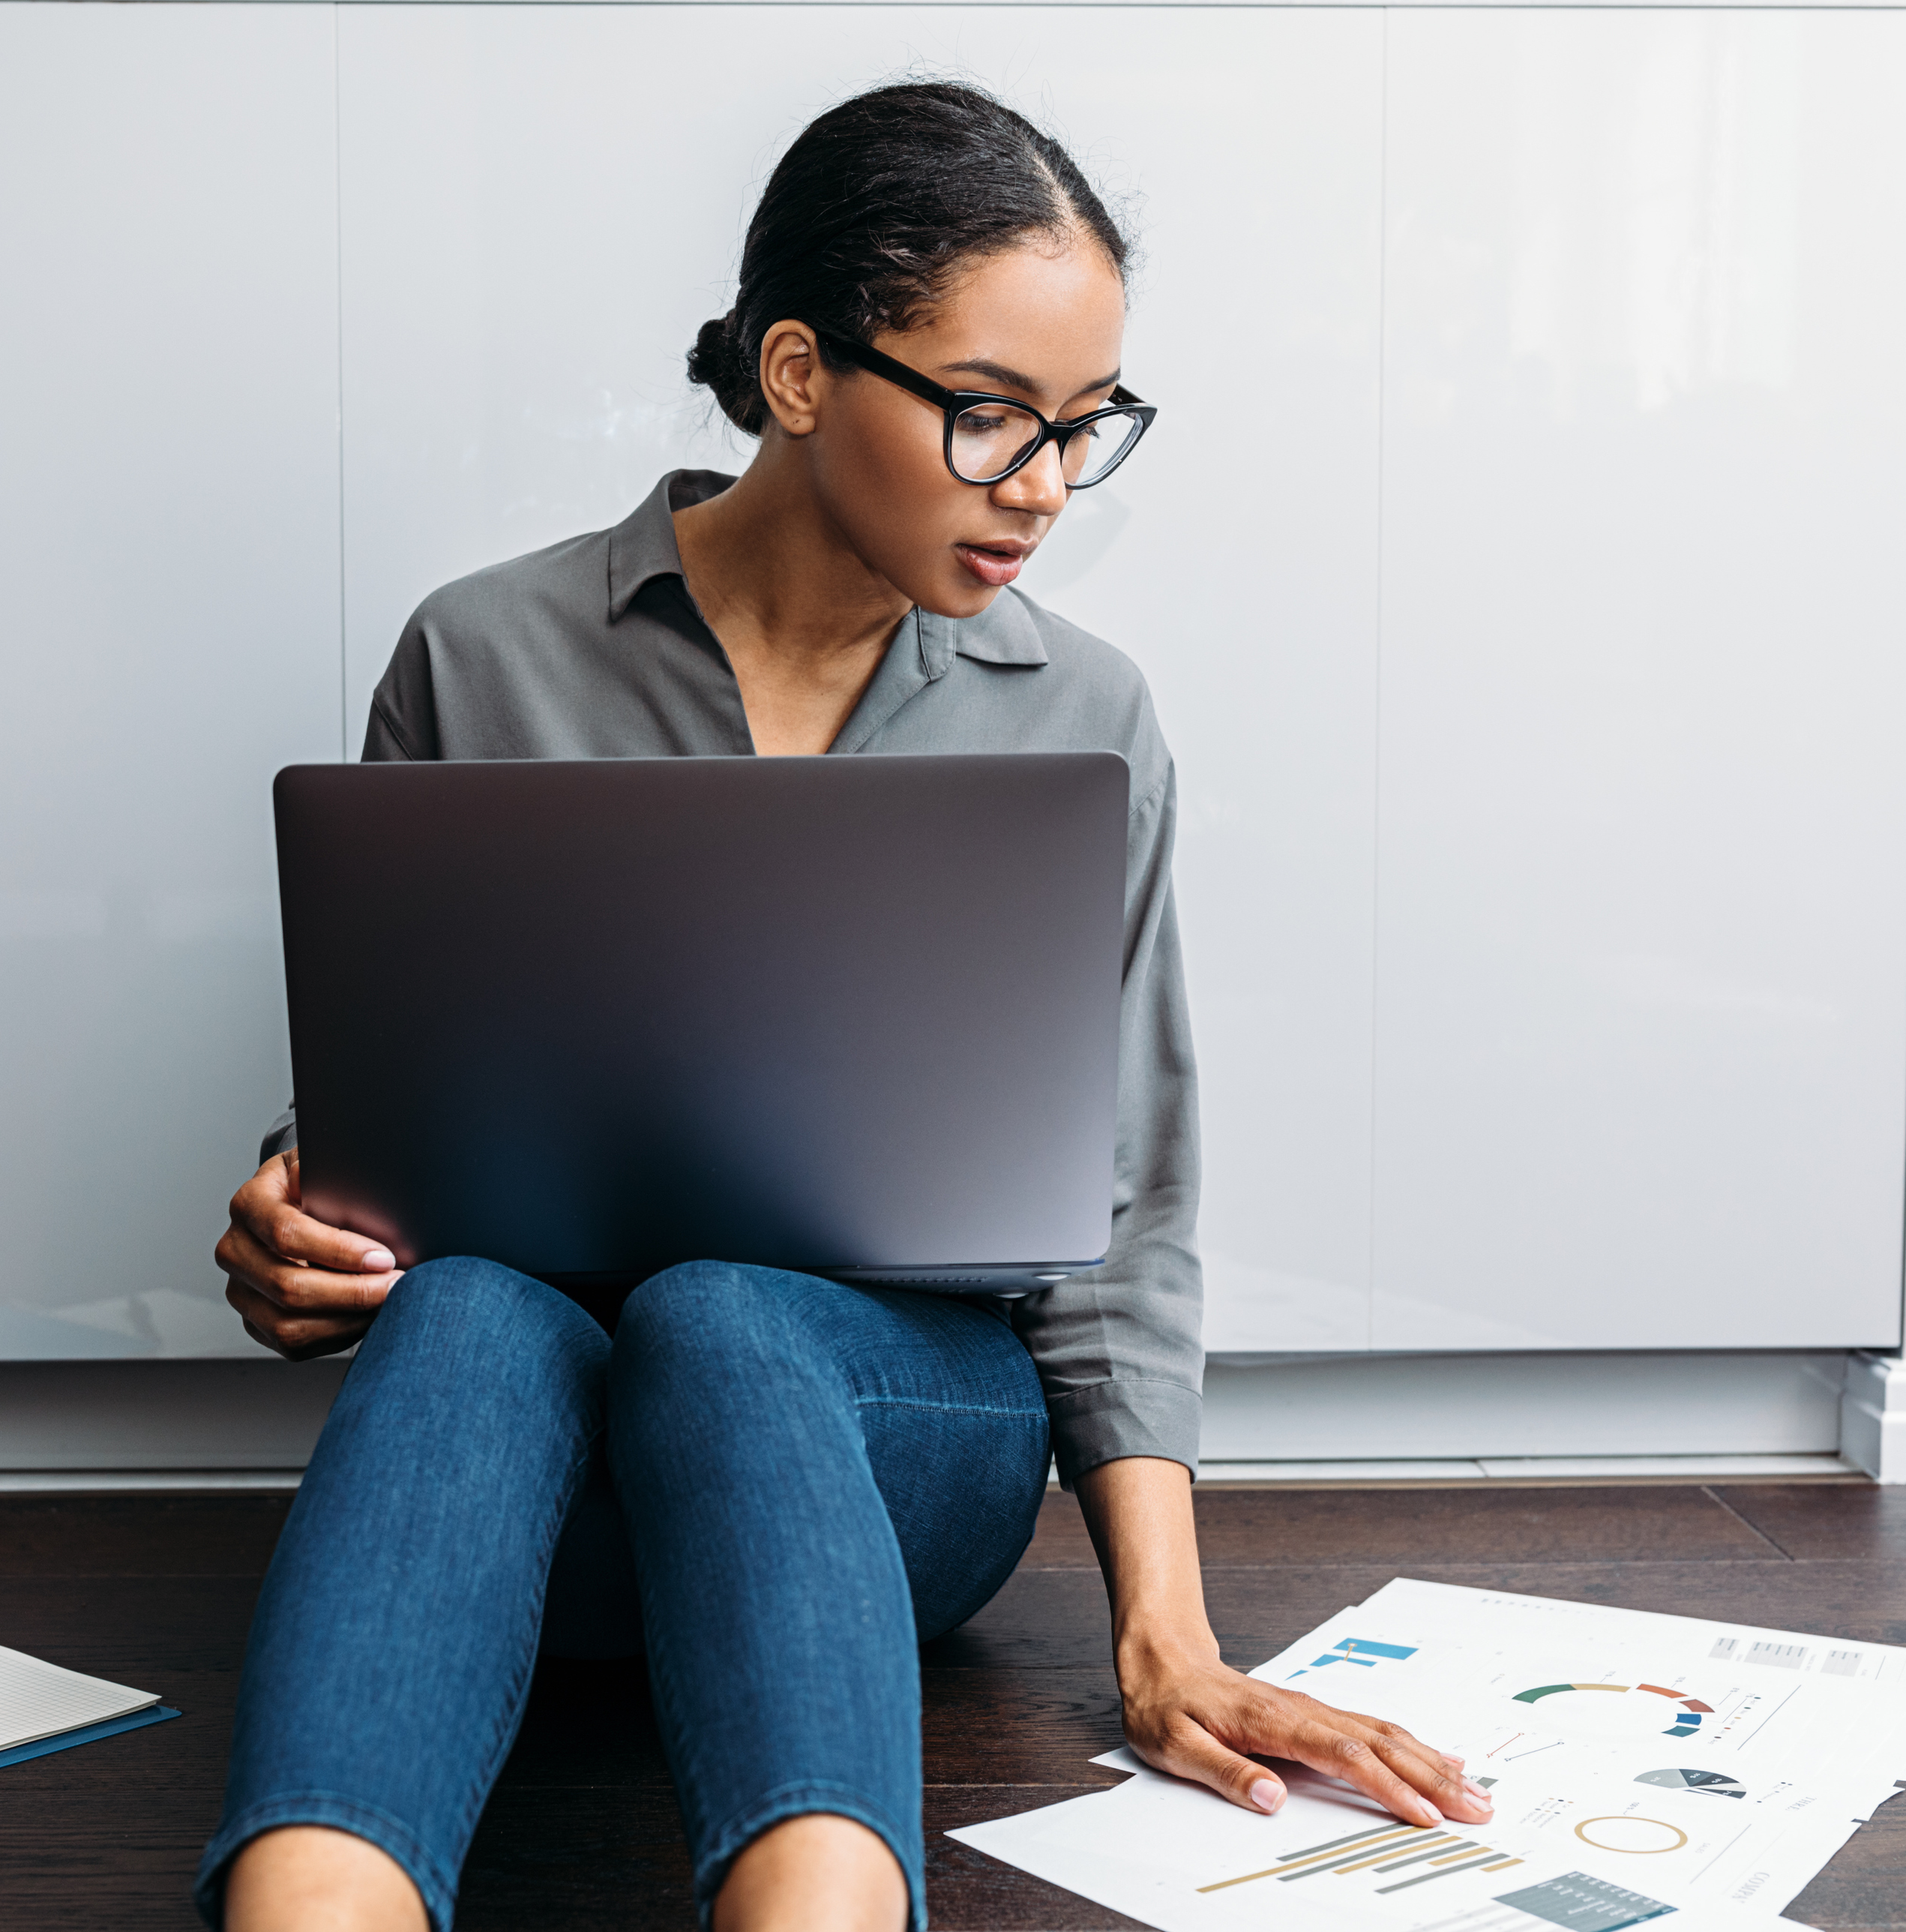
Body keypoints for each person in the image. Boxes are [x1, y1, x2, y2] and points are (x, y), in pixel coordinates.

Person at [199, 80, 1491, 1932]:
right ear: (799, 374)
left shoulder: (1082, 715)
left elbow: (1122, 1219)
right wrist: (302, 1214)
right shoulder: (479, 652)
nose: (1042, 484)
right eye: (988, 415)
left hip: (896, 1470)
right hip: (528, 1486)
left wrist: (1171, 1641)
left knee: (727, 1314)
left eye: (1082, 426)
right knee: (476, 1307)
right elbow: (392, 1113)